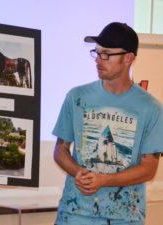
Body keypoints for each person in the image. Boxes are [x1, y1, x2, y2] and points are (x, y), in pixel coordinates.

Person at [53, 22, 163, 225]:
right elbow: (60, 149)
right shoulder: (77, 97)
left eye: (107, 54)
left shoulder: (151, 108)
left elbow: (149, 169)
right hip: (75, 213)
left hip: (125, 216)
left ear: (128, 58)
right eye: (97, 53)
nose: (98, 60)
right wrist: (78, 172)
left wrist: (104, 180)